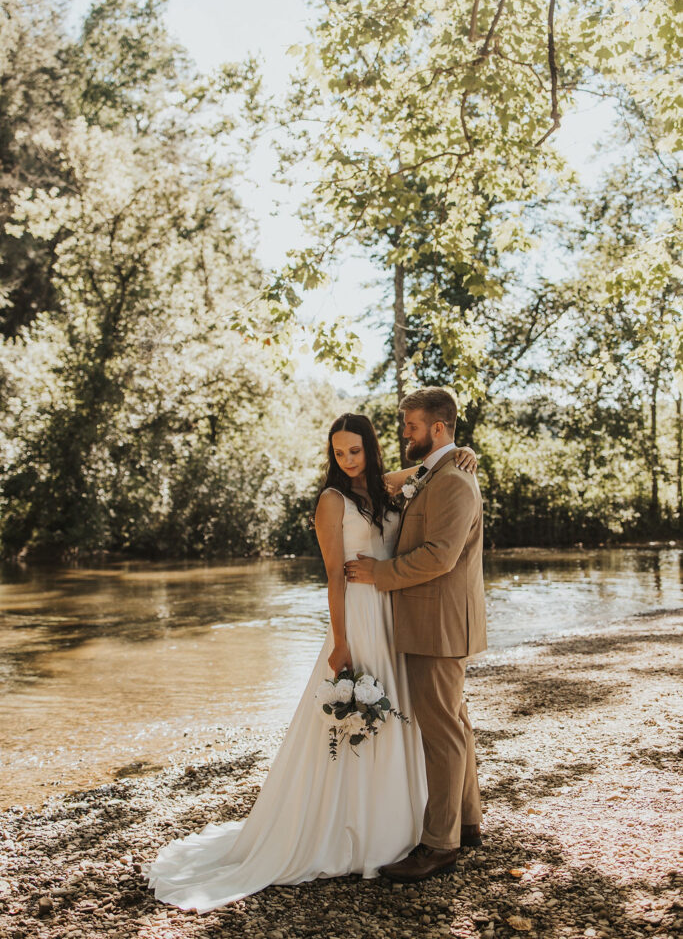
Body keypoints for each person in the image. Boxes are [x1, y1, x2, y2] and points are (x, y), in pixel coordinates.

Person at [142, 411, 478, 911]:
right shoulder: (331, 500)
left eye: (355, 450)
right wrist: (340, 642)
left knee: (405, 718)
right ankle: (349, 829)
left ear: (369, 448)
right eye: (338, 452)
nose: (346, 459)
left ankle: (405, 824)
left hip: (394, 619)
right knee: (361, 722)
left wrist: (466, 453)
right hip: (360, 622)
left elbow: (426, 467)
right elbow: (334, 577)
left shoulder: (384, 489)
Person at [345, 387, 487, 882]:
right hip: (435, 621)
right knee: (455, 722)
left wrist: (377, 575)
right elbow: (378, 481)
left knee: (441, 732)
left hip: (438, 624)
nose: (403, 432)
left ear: (438, 428)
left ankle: (439, 845)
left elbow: (439, 557)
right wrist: (452, 452)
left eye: (410, 425)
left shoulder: (454, 483)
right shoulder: (438, 472)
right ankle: (467, 822)